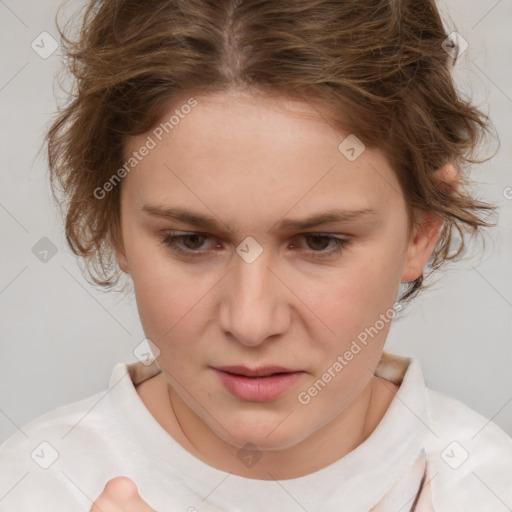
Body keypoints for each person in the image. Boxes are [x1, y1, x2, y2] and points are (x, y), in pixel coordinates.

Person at [0, 0, 510, 511]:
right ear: (115, 225)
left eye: (319, 242)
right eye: (192, 241)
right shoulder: (29, 488)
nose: (250, 322)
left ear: (422, 229)